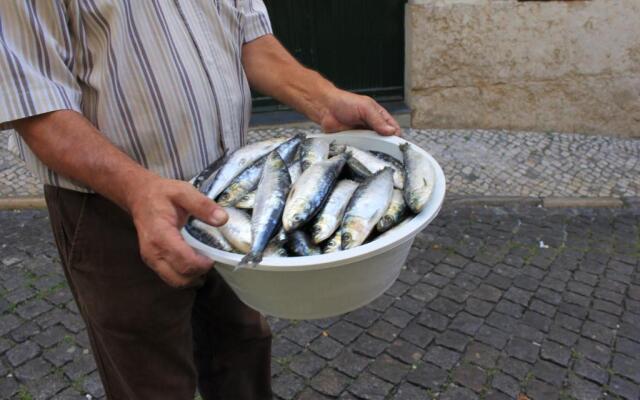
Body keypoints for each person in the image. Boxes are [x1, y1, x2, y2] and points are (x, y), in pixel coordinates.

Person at [0, 2, 401, 399]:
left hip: (232, 197)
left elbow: (249, 36)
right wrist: (137, 190)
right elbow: (34, 102)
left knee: (243, 350)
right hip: (114, 208)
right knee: (151, 380)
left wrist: (323, 99)